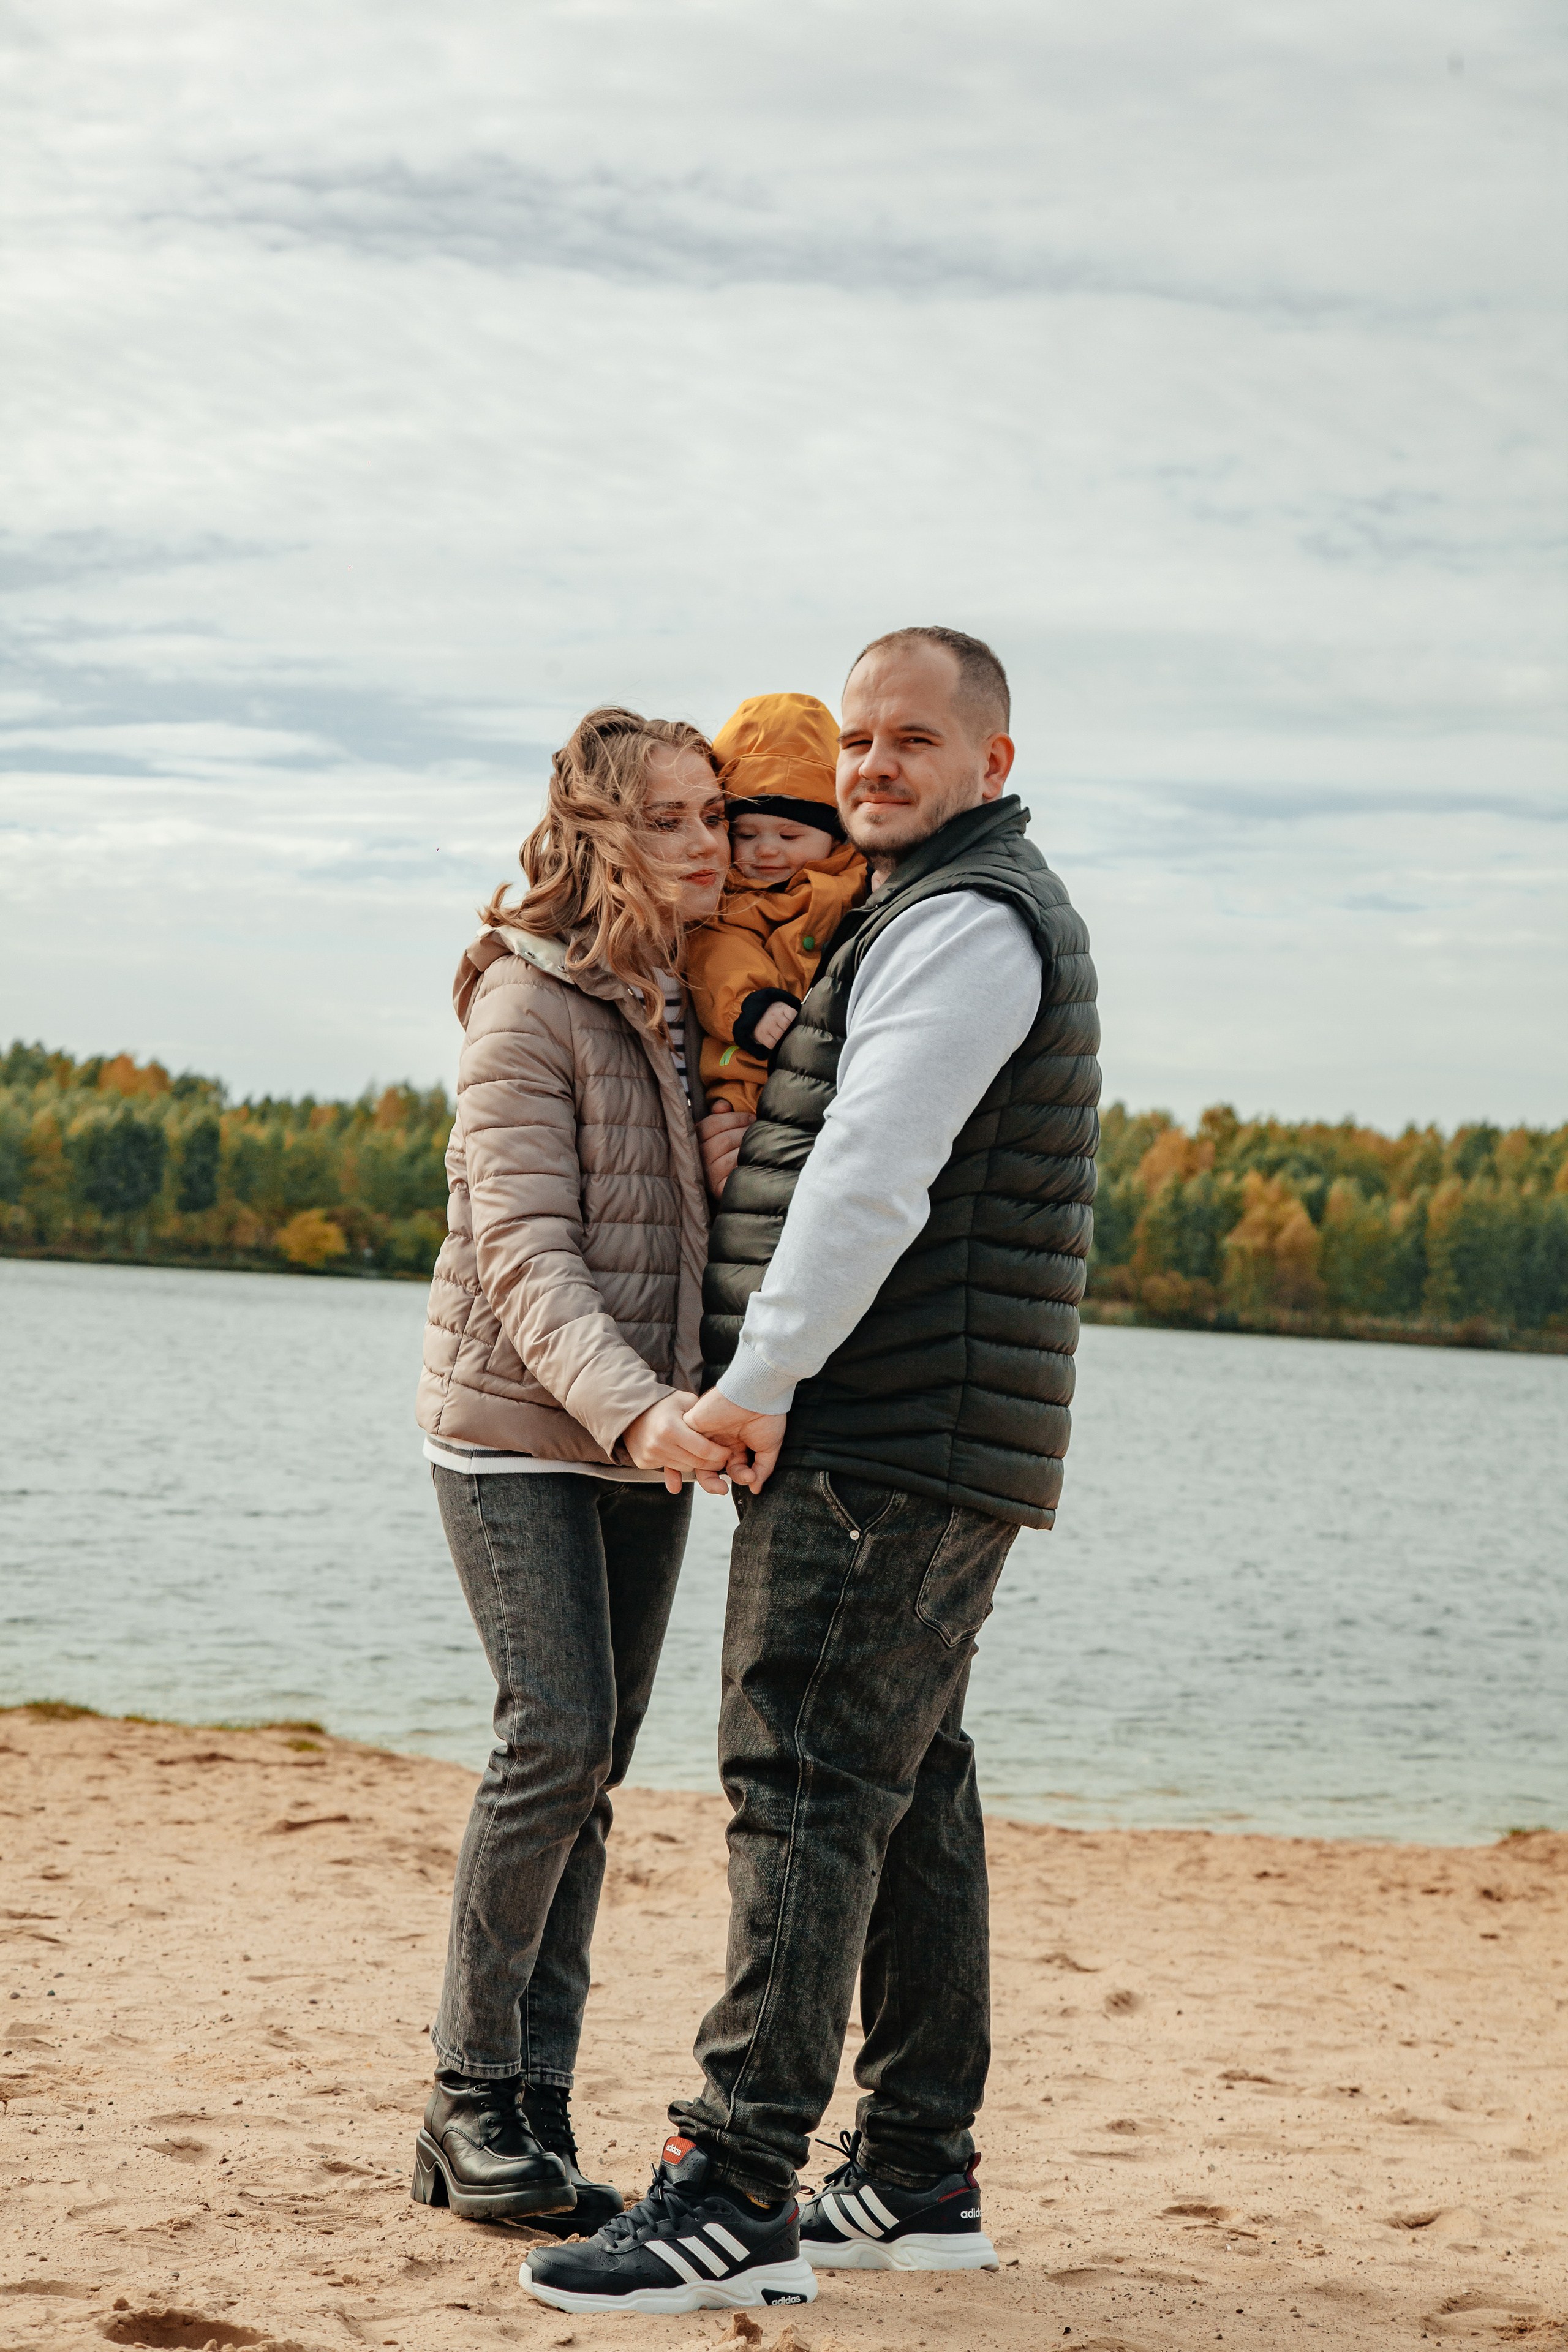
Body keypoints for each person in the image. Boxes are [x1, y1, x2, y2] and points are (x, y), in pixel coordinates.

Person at [519, 627, 1101, 2319]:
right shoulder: (925, 908)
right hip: (927, 1421)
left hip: (883, 1427)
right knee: (905, 1778)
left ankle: (735, 2185)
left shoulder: (965, 925)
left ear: (991, 759)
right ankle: (917, 2172)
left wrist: (763, 1380)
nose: (870, 766)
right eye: (854, 740)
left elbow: (869, 1175)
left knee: (803, 1772)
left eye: (911, 739)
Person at [409, 707, 745, 2234]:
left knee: (593, 1771)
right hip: (511, 1428)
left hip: (632, 1438)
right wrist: (635, 1413)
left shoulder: (678, 999)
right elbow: (528, 1253)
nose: (709, 844)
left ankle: (529, 2113)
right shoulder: (521, 1006)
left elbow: (653, 1213)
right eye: (671, 819)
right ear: (600, 832)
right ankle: (466, 2092)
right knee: (548, 1737)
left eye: (717, 815)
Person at [684, 693, 868, 1115]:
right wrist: (749, 1005)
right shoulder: (732, 902)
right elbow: (718, 955)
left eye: (788, 837)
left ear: (835, 835)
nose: (766, 851)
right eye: (747, 835)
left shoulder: (864, 881)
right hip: (747, 1067)